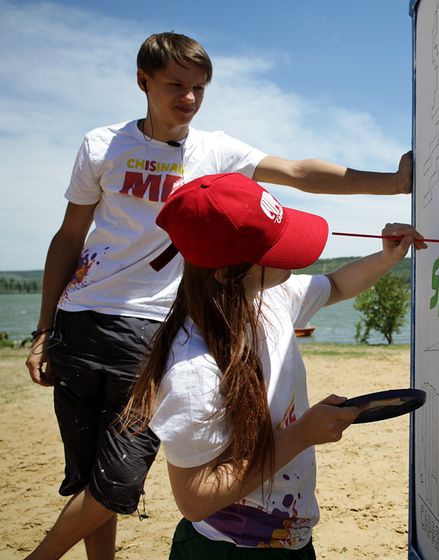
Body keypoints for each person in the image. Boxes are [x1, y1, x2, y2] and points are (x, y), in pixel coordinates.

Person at [24, 32, 411, 560]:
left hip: (155, 325)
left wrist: (393, 183)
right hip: (84, 321)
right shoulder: (102, 145)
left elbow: (299, 173)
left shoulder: (216, 152)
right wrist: (44, 330)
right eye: (176, 85)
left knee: (114, 482)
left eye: (199, 88)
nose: (188, 97)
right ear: (143, 82)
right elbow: (70, 238)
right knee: (92, 477)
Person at [124, 172, 425, 558]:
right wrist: (302, 434)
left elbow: (334, 285)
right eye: (274, 249)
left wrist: (387, 257)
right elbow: (195, 498)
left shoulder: (269, 296)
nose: (289, 255)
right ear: (226, 272)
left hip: (291, 539)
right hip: (227, 550)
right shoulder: (191, 371)